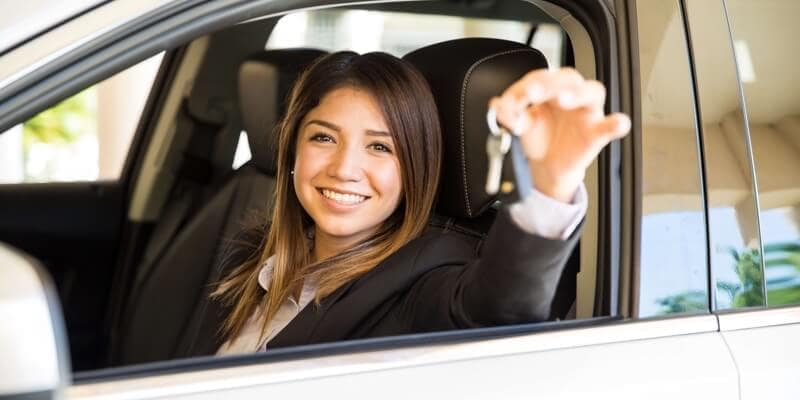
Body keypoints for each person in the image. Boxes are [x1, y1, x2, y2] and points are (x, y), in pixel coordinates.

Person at [212, 51, 631, 354]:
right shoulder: (251, 259)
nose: (344, 169)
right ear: (293, 152)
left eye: (380, 147)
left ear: (415, 168)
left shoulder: (423, 280)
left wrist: (548, 182)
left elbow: (498, 311)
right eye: (323, 137)